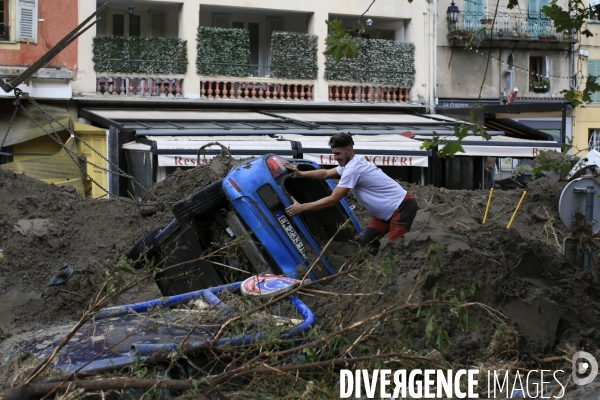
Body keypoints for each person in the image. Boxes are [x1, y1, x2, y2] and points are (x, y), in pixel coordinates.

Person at [284, 132, 418, 255]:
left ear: (349, 150)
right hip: (386, 212)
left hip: (401, 207)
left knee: (396, 249)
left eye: (338, 154)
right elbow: (325, 173)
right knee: (368, 241)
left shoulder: (353, 169)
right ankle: (375, 269)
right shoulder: (352, 162)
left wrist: (301, 207)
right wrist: (300, 174)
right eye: (334, 154)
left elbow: (333, 200)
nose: (335, 158)